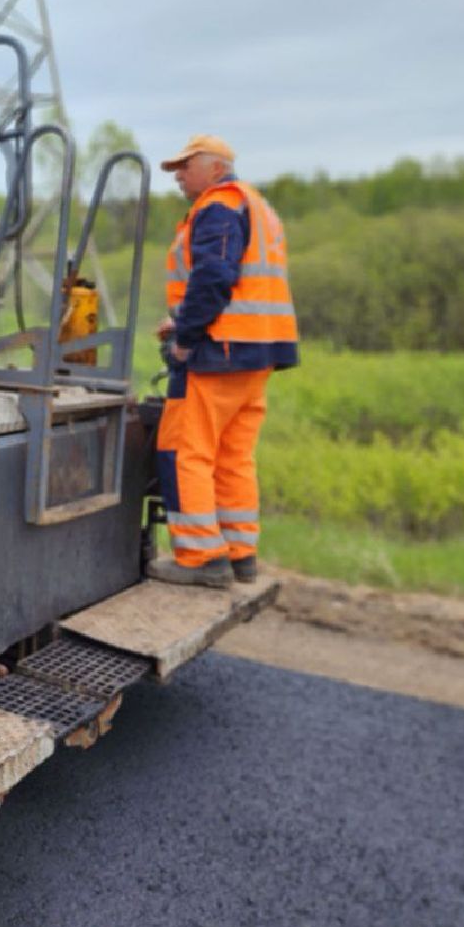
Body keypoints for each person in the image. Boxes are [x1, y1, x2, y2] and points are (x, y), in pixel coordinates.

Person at [150, 135, 298, 589]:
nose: (178, 175)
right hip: (258, 352)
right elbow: (239, 287)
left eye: (185, 166)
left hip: (220, 353)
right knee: (233, 455)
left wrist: (185, 338)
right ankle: (240, 553)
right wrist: (180, 320)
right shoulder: (256, 206)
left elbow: (214, 276)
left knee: (183, 450)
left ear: (216, 169)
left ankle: (200, 557)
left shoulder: (218, 206)